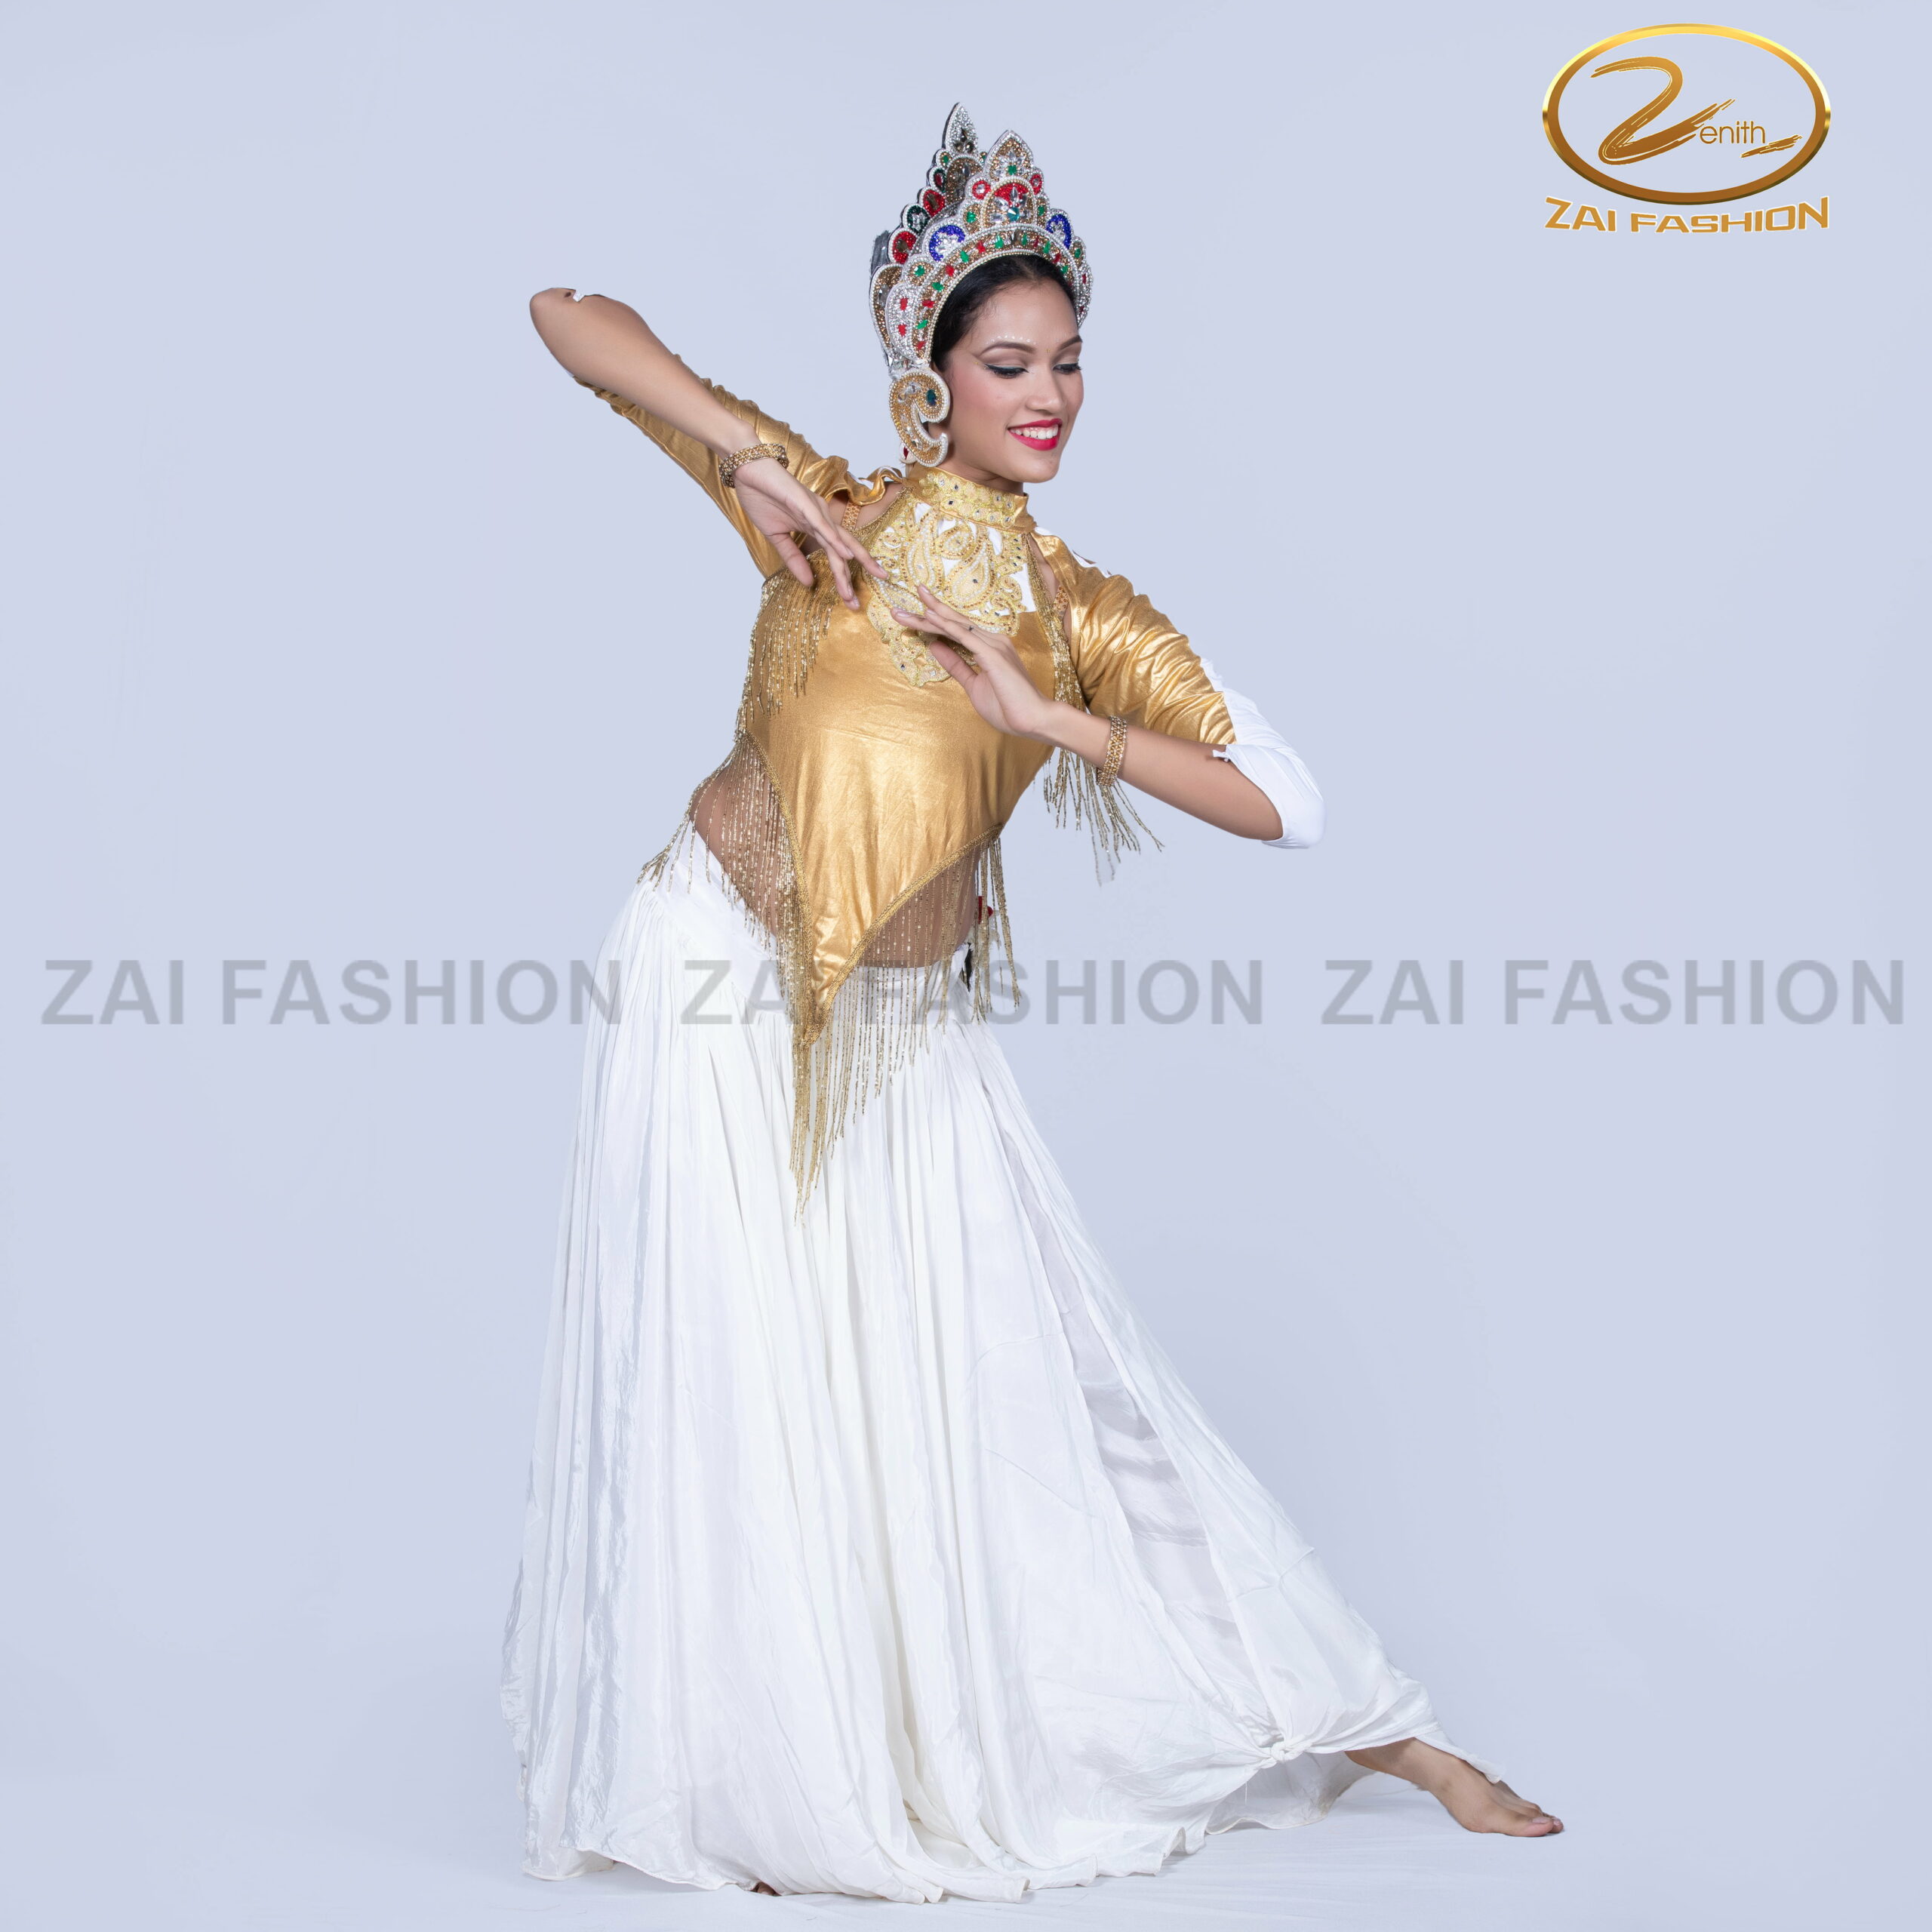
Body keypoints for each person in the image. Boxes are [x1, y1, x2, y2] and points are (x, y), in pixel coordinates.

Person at [500, 104, 1560, 1904]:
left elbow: (1287, 796)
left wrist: (1049, 719)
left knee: (1030, 1385)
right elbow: (564, 315)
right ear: (931, 380)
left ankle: (1371, 1722)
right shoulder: (829, 515)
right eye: (1009, 363)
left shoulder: (1077, 612)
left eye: (1068, 360)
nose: (1049, 394)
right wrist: (744, 461)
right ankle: (779, 1770)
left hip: (904, 1035)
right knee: (743, 1387)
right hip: (710, 974)